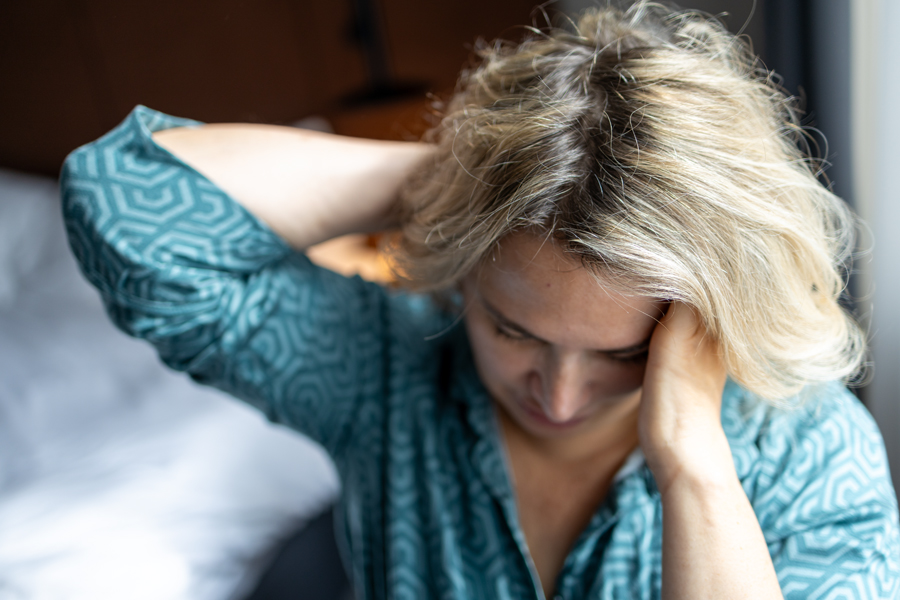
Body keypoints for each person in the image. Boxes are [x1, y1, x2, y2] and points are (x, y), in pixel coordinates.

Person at [61, 2, 898, 599]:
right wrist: (474, 181)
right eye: (512, 327)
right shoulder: (384, 374)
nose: (559, 396)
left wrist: (695, 469)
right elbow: (121, 203)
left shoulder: (812, 457)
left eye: (623, 352)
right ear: (463, 279)